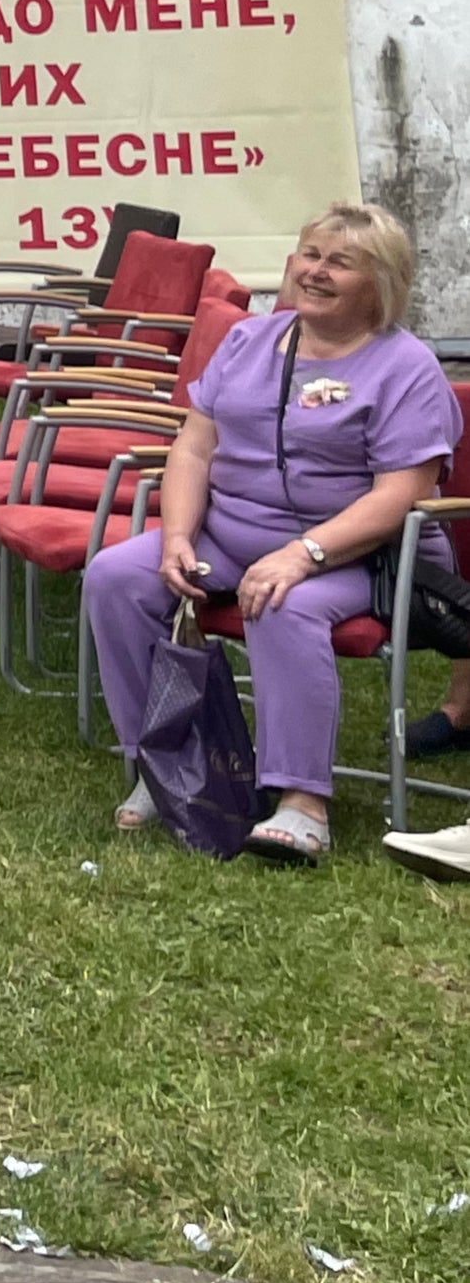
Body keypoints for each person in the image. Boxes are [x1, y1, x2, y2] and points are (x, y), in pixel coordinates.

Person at [84, 203, 457, 866]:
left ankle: (301, 804)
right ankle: (166, 764)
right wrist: (175, 535)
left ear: (379, 281)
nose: (313, 270)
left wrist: (300, 552)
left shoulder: (406, 366)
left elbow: (401, 492)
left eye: (338, 261)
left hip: (359, 553)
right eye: (308, 253)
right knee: (115, 577)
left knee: (280, 599)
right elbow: (193, 449)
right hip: (229, 532)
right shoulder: (248, 340)